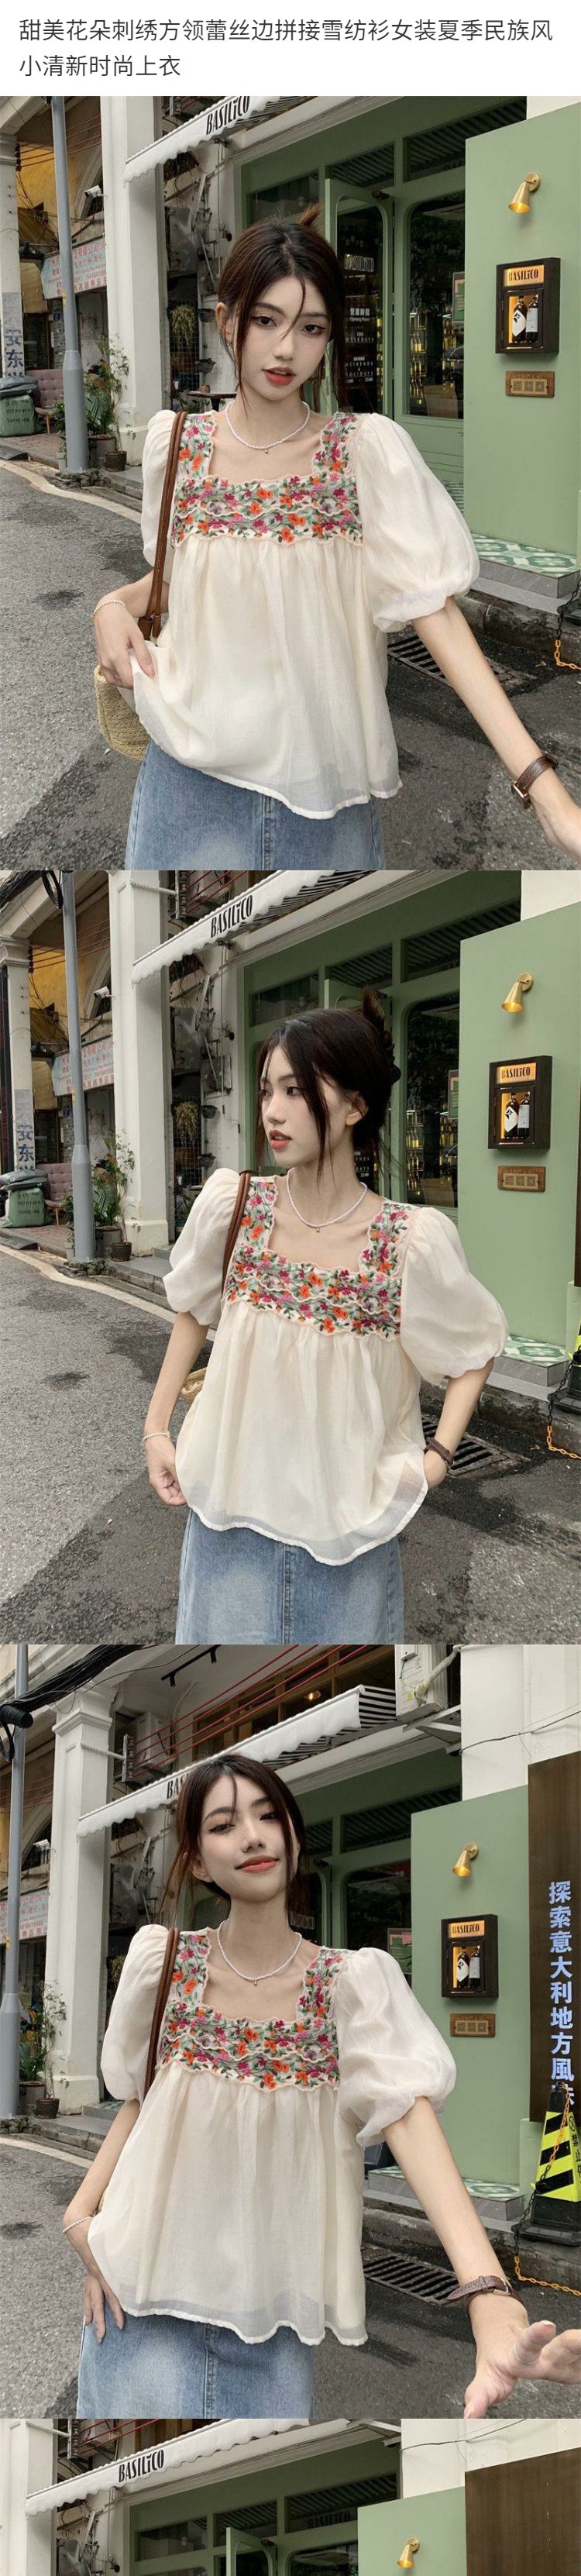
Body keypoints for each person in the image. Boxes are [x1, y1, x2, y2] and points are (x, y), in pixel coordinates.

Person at [63, 1755, 581, 2421]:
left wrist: (490, 2295)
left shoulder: (351, 1985)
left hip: (275, 2333)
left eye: (268, 1815)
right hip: (137, 2312)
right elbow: (144, 2102)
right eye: (223, 1825)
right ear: (196, 1860)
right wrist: (80, 2215)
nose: (252, 1836)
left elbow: (408, 2114)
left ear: (292, 1835)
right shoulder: (162, 1965)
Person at [92, 208, 581, 870]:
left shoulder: (363, 454)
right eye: (266, 320)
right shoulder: (177, 445)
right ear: (227, 321)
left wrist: (547, 793)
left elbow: (434, 613)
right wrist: (110, 606)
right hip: (188, 782)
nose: (285, 349)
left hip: (325, 795)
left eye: (311, 327)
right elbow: (183, 581)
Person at [142, 993, 507, 1647]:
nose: (273, 1111)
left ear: (354, 1107)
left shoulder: (409, 1241)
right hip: (228, 1523)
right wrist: (155, 1429)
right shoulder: (236, 1207)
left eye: (295, 1090)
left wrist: (437, 1459)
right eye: (267, 1091)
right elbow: (192, 1310)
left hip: (350, 1541)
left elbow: (475, 1346)